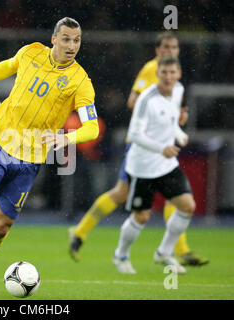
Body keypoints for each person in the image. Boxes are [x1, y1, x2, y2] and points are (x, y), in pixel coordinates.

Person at [0, 17, 100, 300]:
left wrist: (66, 138)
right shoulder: (31, 51)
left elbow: (91, 127)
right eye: (66, 39)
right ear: (53, 39)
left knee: (1, 226)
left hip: (31, 156)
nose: (71, 46)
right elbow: (7, 67)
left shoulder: (81, 81)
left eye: (76, 40)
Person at [69, 32, 209, 266]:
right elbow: (133, 101)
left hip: (163, 144)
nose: (170, 51)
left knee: (172, 197)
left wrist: (176, 120)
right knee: (122, 194)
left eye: (174, 47)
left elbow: (174, 111)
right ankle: (81, 232)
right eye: (166, 47)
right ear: (157, 50)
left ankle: (179, 250)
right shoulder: (151, 70)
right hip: (144, 145)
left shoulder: (175, 79)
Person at [113, 56, 195, 274]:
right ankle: (120, 255)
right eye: (164, 73)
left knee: (188, 206)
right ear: (157, 74)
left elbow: (170, 120)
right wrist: (162, 148)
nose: (168, 77)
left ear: (178, 74)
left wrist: (178, 132)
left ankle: (164, 253)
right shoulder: (146, 99)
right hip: (142, 166)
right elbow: (134, 134)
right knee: (142, 216)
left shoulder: (178, 90)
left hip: (166, 164)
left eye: (172, 73)